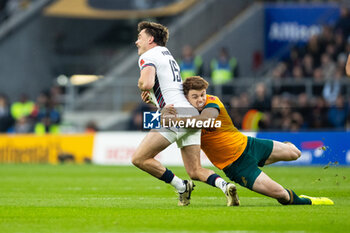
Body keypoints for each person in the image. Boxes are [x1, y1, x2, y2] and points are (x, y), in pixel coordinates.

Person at [162, 76, 334, 206]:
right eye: (195, 96)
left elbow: (205, 120)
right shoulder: (183, 113)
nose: (201, 99)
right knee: (281, 195)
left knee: (295, 153)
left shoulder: (212, 102)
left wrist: (173, 120)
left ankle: (266, 158)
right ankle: (308, 202)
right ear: (186, 98)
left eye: (202, 94)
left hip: (249, 144)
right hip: (237, 166)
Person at [133, 21, 239, 207]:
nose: (136, 42)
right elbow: (165, 88)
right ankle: (226, 186)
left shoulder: (148, 55)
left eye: (140, 37)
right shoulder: (168, 55)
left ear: (150, 39)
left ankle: (181, 186)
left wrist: (141, 85)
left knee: (139, 159)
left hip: (175, 115)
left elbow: (147, 83)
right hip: (191, 114)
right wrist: (152, 98)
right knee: (195, 170)